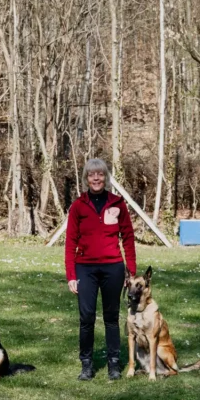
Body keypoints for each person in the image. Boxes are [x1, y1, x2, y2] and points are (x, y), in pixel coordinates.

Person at [64, 158, 136, 381]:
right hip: (85, 268)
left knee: (112, 317)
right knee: (86, 318)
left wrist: (130, 271)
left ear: (105, 177)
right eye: (91, 175)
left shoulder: (118, 204)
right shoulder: (78, 206)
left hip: (113, 268)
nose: (96, 178)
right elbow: (70, 241)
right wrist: (71, 276)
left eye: (100, 174)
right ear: (86, 179)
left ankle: (114, 363)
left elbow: (129, 237)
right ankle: (86, 364)